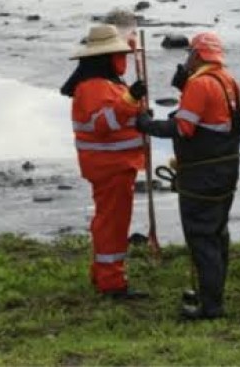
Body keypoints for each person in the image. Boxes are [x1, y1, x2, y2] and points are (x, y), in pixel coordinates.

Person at [135, 32, 240, 321]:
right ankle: (212, 294)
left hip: (202, 173)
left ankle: (211, 306)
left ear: (197, 55)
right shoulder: (230, 82)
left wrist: (147, 124)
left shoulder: (200, 84)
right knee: (218, 234)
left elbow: (184, 128)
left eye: (189, 55)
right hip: (226, 168)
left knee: (201, 236)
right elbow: (214, 121)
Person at [61, 24, 148, 300]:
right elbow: (104, 123)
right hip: (110, 166)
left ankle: (102, 273)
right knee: (113, 224)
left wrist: (135, 106)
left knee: (107, 221)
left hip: (114, 165)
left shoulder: (103, 82)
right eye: (118, 54)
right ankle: (112, 282)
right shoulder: (94, 86)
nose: (121, 59)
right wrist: (132, 100)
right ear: (106, 57)